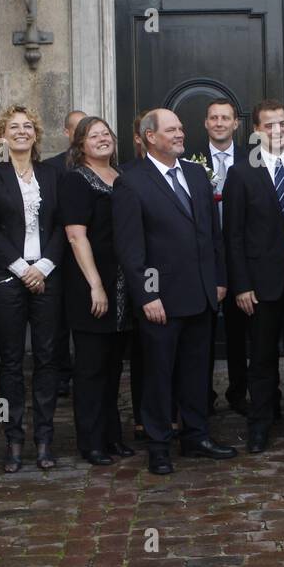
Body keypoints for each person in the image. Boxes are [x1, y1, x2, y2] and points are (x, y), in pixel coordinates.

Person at [113, 108, 236, 476]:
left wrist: (219, 279)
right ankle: (158, 445)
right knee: (158, 374)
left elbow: (212, 235)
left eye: (181, 128)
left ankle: (196, 436)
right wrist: (148, 296)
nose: (181, 134)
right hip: (161, 301)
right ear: (150, 136)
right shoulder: (131, 181)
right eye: (172, 129)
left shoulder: (197, 174)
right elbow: (131, 248)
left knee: (197, 372)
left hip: (200, 294)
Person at [0, 105, 66, 473]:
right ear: (2, 134)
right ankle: (13, 440)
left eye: (28, 126)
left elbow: (62, 225)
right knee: (11, 361)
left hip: (47, 275)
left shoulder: (51, 173)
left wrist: (42, 266)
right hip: (8, 277)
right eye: (14, 127)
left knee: (47, 359)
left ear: (36, 134)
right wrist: (21, 268)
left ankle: (44, 439)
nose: (22, 132)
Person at [222, 100, 284, 454]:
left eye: (282, 123)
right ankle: (260, 425)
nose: (277, 130)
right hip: (259, 281)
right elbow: (233, 234)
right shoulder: (241, 173)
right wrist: (241, 284)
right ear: (255, 131)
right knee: (264, 358)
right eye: (269, 125)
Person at [62, 116, 135, 465]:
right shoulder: (76, 181)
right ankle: (90, 442)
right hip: (92, 286)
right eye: (94, 135)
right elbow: (77, 236)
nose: (103, 139)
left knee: (113, 368)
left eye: (107, 133)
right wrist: (95, 286)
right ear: (80, 145)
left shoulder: (123, 177)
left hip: (124, 287)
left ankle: (113, 437)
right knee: (91, 369)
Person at [204, 99, 250, 416]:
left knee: (239, 330)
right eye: (214, 118)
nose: (219, 122)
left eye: (226, 118)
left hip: (239, 253)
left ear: (236, 123)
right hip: (204, 255)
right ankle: (202, 393)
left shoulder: (251, 161)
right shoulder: (189, 159)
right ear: (206, 123)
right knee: (203, 330)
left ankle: (239, 392)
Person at [46, 109, 87, 400]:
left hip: (90, 255)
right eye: (77, 129)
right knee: (58, 321)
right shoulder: (50, 168)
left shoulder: (105, 165)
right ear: (67, 133)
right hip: (60, 256)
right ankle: (61, 374)